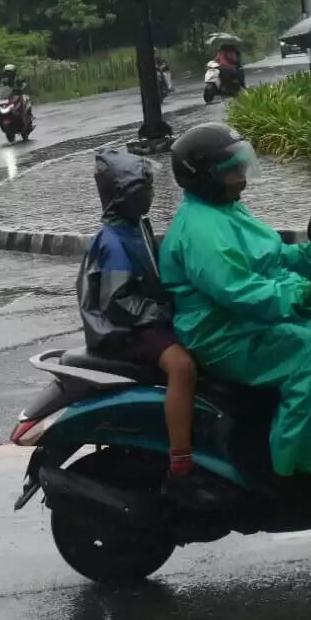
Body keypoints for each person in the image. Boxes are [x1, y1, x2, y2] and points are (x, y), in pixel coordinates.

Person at [159, 123, 311, 496]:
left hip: (246, 321)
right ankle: (295, 472)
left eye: (240, 167)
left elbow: (272, 256)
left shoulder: (227, 210)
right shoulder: (199, 231)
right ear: (204, 176)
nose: (241, 178)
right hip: (222, 332)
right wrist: (305, 291)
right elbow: (241, 291)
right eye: (231, 171)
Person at [77, 148, 208, 506]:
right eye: (144, 188)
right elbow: (117, 302)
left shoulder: (137, 227)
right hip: (125, 330)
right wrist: (161, 312)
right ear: (125, 194)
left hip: (145, 320)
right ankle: (181, 466)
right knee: (182, 366)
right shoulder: (113, 240)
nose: (151, 194)